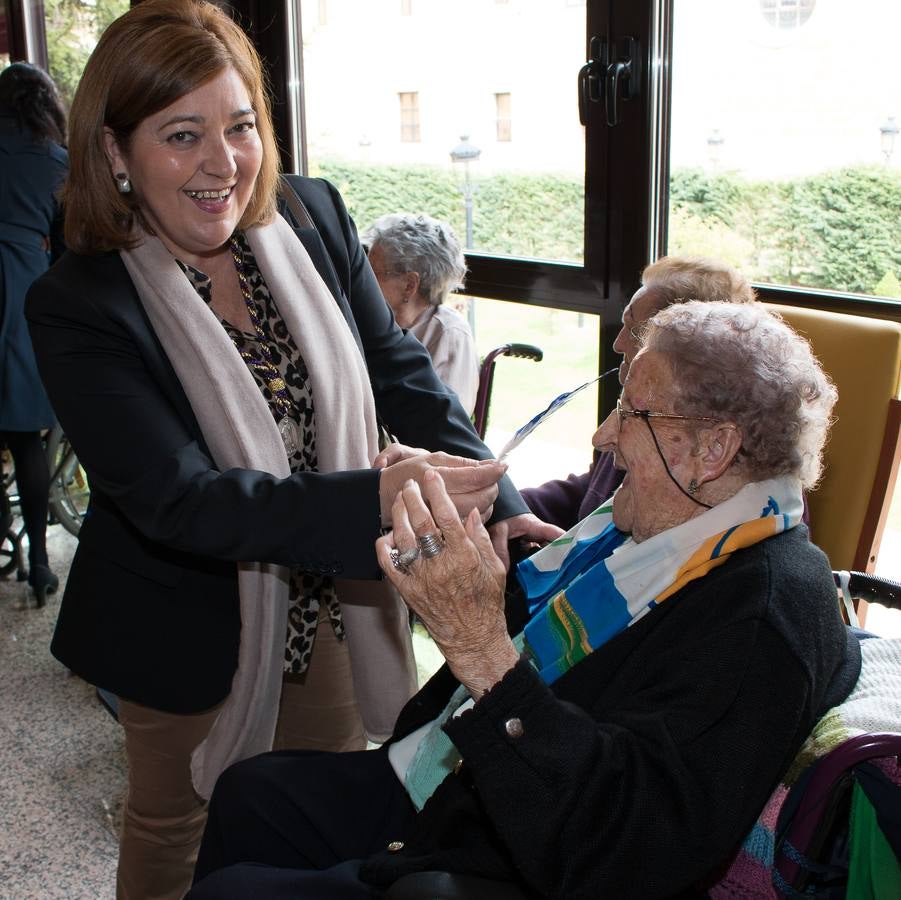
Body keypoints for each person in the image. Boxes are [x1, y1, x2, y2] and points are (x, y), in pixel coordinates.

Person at [24, 2, 555, 897]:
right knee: (177, 828)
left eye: (239, 128)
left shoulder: (311, 215)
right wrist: (381, 503)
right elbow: (182, 500)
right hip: (183, 623)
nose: (222, 164)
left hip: (335, 606)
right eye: (181, 135)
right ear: (114, 153)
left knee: (309, 813)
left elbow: (401, 377)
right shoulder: (80, 303)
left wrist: (498, 500)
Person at [188, 301, 861, 900]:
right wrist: (479, 564)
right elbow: (570, 661)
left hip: (519, 850)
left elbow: (626, 846)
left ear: (711, 449)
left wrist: (476, 644)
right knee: (252, 794)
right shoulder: (671, 535)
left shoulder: (758, 616)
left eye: (631, 412)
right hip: (469, 781)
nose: (603, 435)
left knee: (235, 887)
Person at [522, 255, 756, 530]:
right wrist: (503, 506)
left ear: (687, 349)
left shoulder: (733, 473)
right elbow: (593, 494)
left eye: (634, 332)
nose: (617, 345)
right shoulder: (644, 409)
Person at [0, 63, 68, 605]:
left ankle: (4, 531)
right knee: (28, 440)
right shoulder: (54, 163)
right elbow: (71, 250)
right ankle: (42, 563)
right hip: (23, 294)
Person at [363, 212, 480, 415]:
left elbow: (446, 422)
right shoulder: (377, 322)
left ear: (409, 285)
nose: (364, 281)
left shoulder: (448, 334)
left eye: (373, 272)